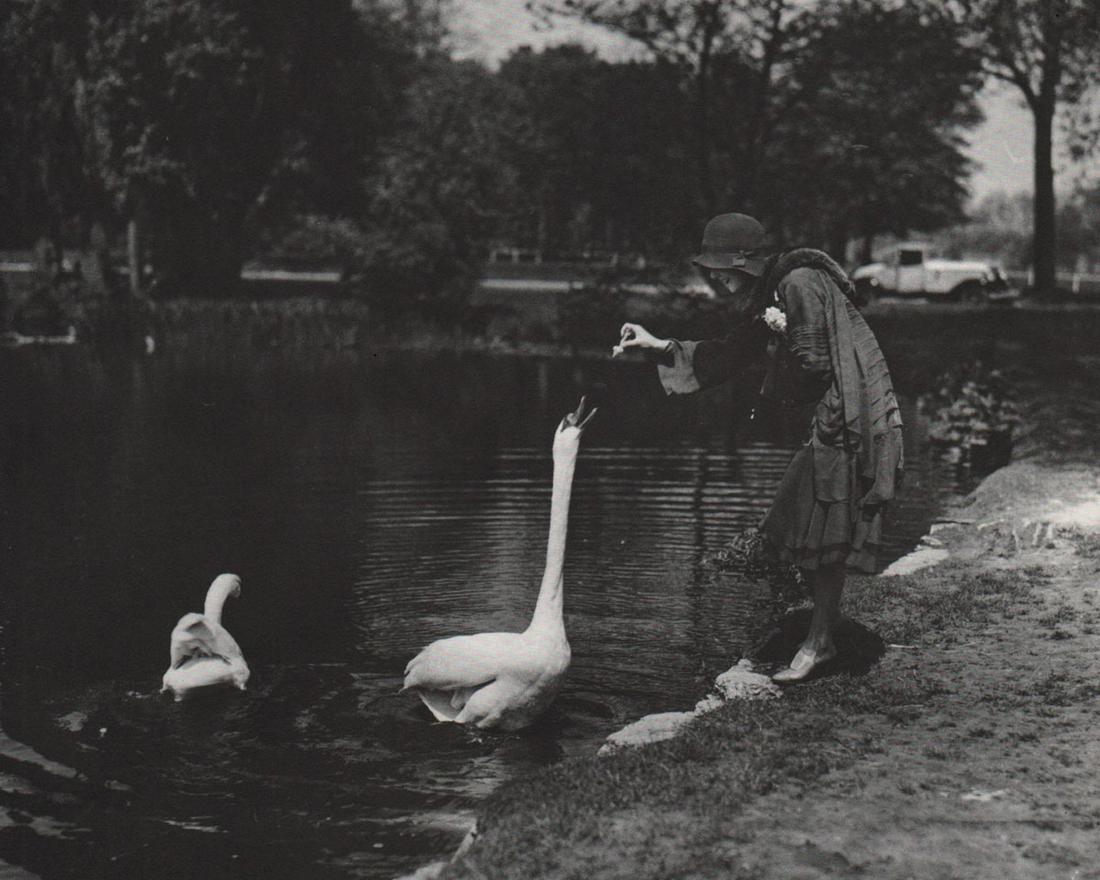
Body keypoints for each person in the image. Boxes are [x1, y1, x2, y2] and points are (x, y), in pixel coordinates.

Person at [617, 213, 904, 683]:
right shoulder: (776, 291)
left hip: (855, 418)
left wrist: (778, 366)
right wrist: (659, 345)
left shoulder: (798, 284)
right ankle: (821, 635)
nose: (712, 276)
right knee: (801, 525)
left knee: (820, 528)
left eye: (717, 267)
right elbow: (732, 351)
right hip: (837, 417)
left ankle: (819, 642)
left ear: (740, 262)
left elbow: (813, 365)